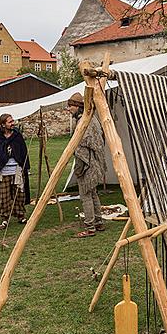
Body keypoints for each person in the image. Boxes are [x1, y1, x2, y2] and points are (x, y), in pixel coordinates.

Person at [67, 92, 106, 238]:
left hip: (88, 163)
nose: (68, 109)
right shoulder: (90, 118)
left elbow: (84, 143)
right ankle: (99, 222)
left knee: (85, 195)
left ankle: (90, 227)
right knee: (92, 192)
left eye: (70, 106)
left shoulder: (85, 121)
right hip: (92, 161)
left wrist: (80, 163)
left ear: (77, 106)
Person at [0, 113, 30, 229]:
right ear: (3, 124)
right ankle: (5, 218)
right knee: (3, 197)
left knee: (19, 195)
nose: (13, 123)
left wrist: (24, 166)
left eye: (12, 121)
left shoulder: (17, 136)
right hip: (2, 173)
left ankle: (21, 215)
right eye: (10, 122)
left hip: (16, 171)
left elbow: (23, 152)